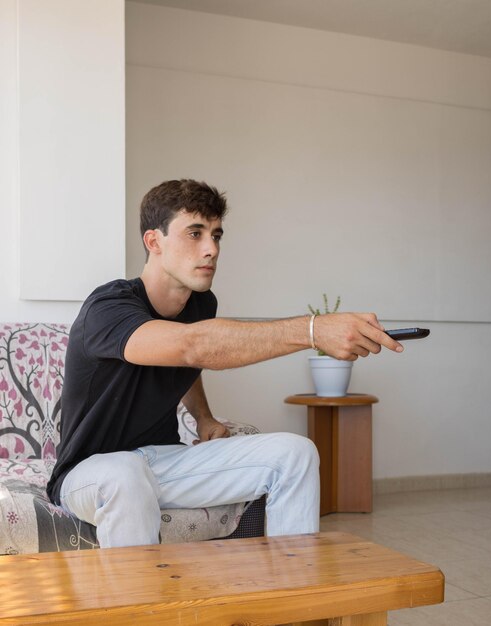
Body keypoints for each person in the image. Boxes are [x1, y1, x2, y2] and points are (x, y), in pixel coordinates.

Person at [47, 179, 403, 548]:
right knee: (125, 473)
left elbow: (180, 364)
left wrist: (203, 418)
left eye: (216, 235)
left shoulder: (201, 304)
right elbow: (190, 347)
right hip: (91, 471)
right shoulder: (107, 307)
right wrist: (313, 330)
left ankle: (291, 592)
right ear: (154, 242)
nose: (211, 248)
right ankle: (145, 606)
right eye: (195, 233)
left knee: (295, 453)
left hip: (163, 461)